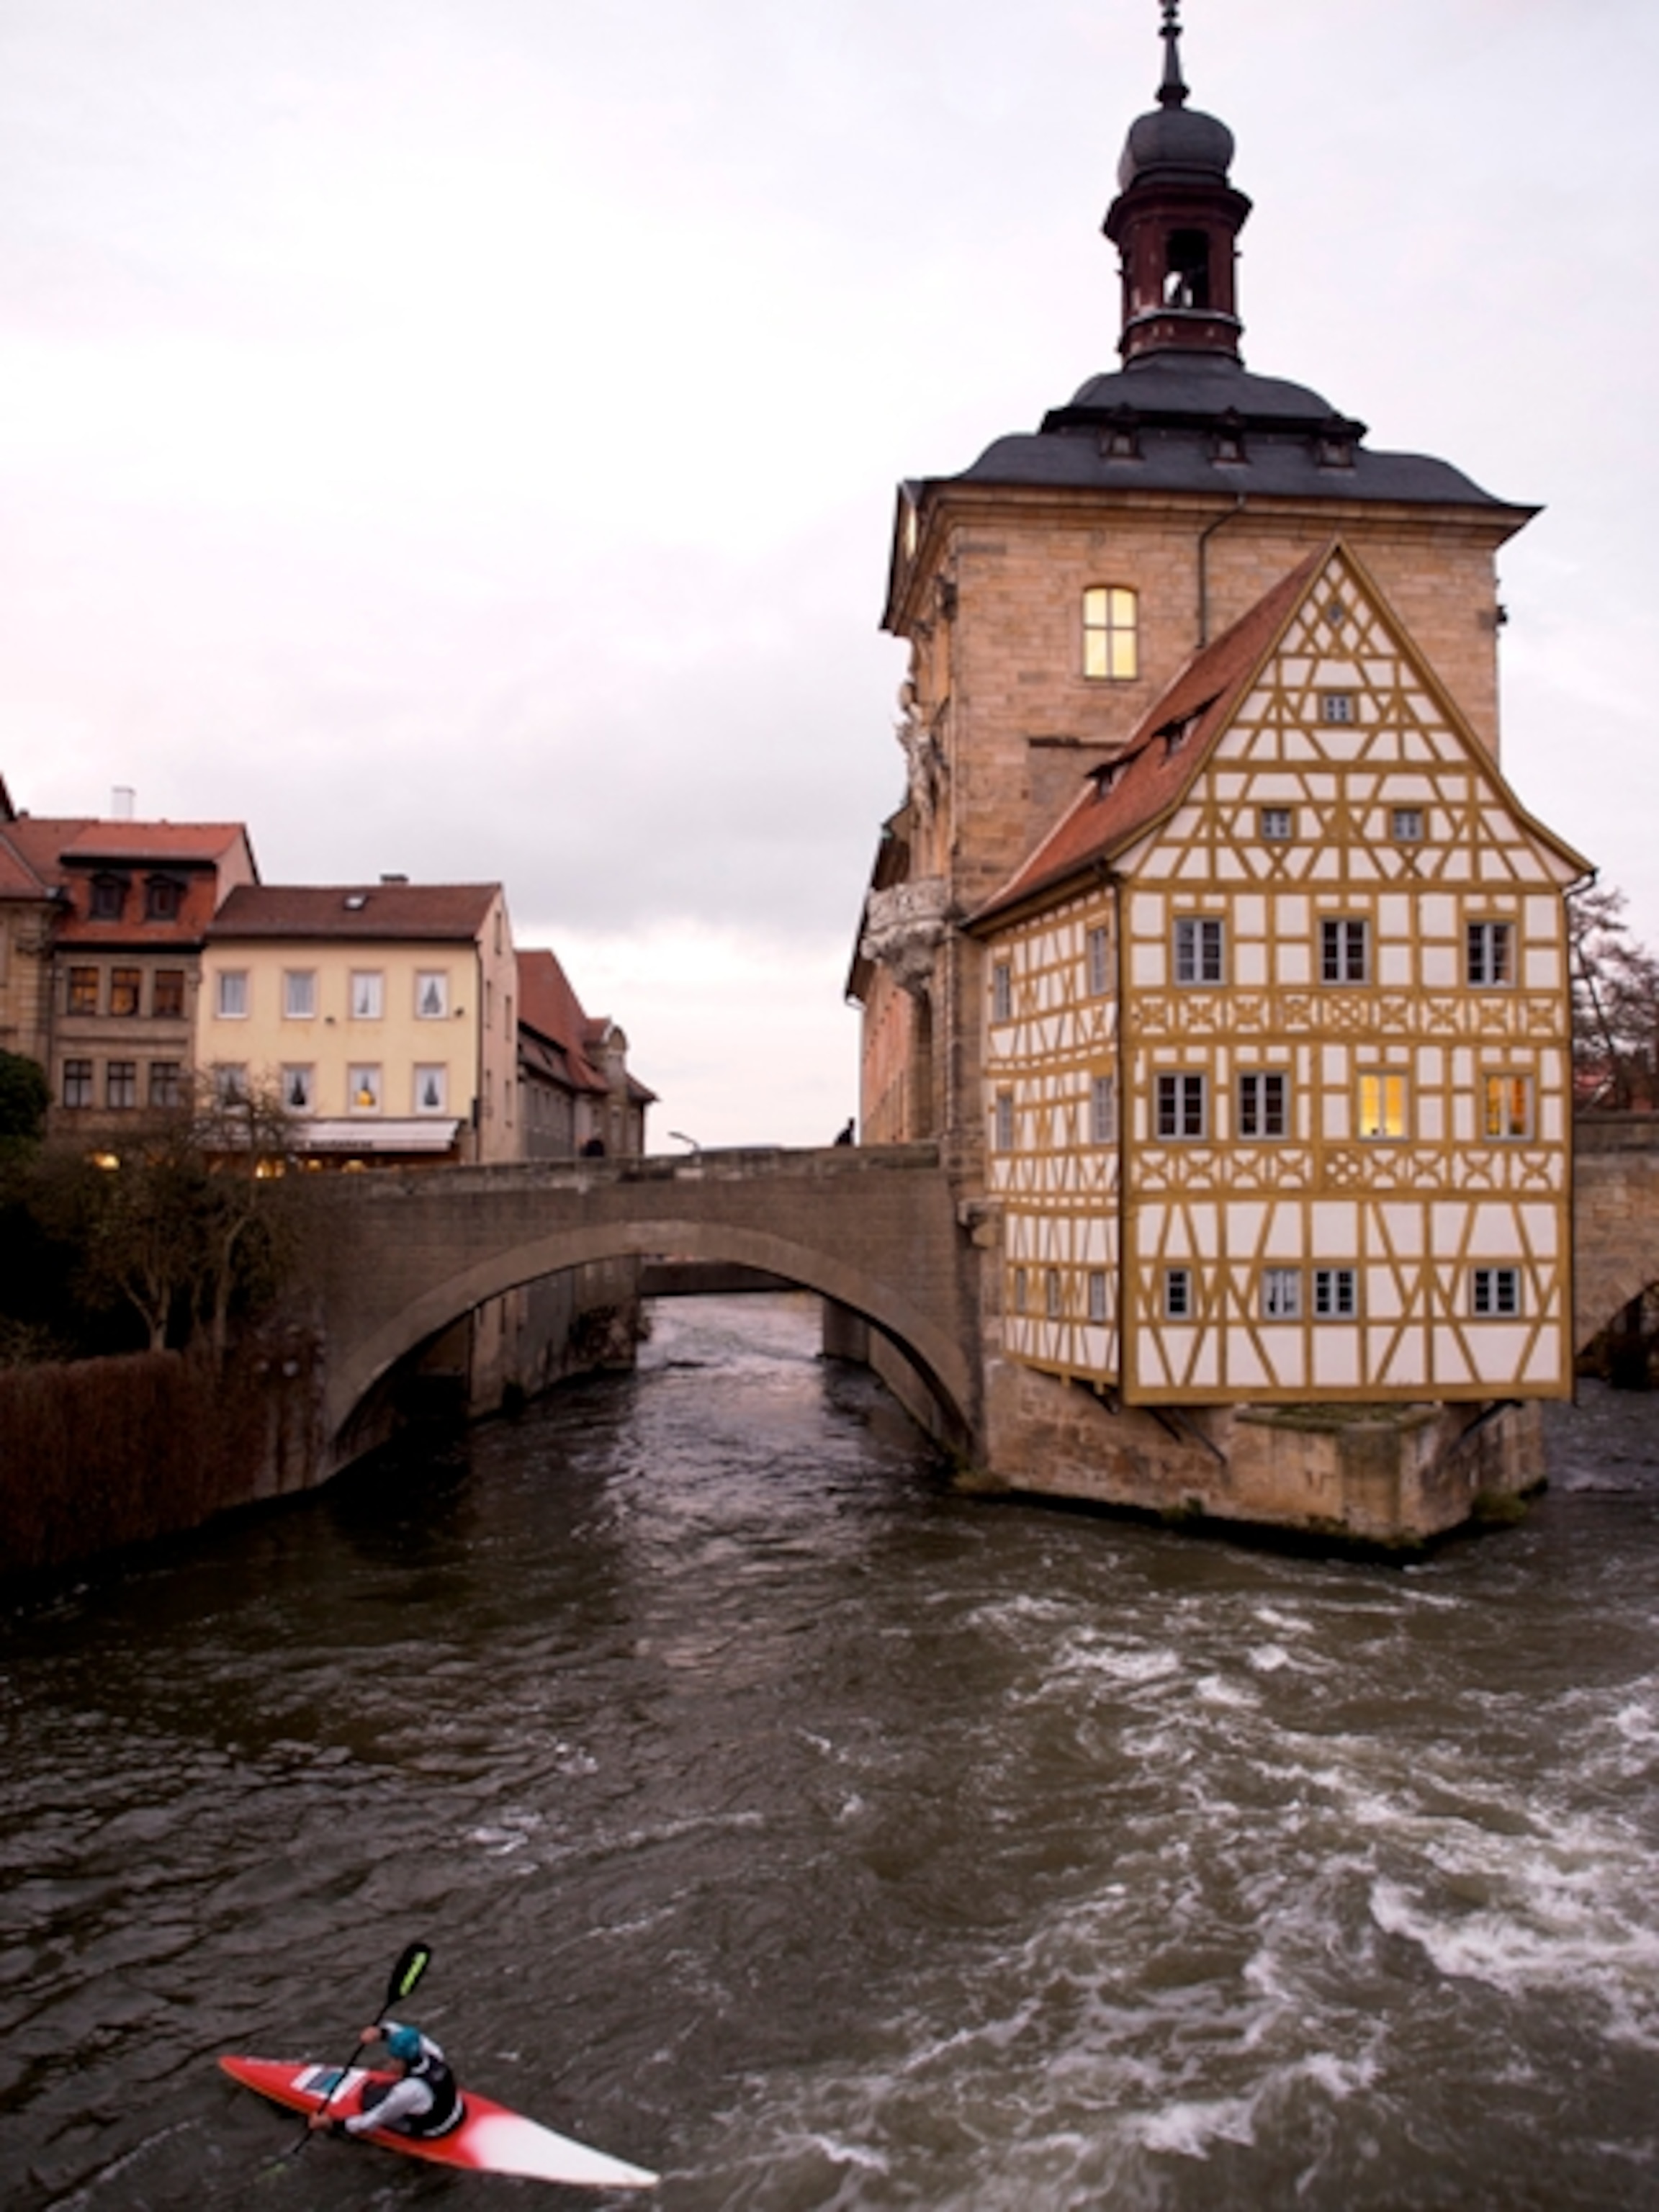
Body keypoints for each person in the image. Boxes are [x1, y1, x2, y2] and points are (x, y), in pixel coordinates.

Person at [310, 2018, 463, 2139]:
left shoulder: (407, 2091)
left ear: (403, 2061)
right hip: (457, 2111)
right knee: (389, 2094)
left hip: (433, 2130)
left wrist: (333, 2124)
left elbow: (371, 2121)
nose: (389, 2064)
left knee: (369, 2101)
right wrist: (380, 2032)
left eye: (393, 2060)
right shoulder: (434, 2053)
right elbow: (403, 2033)